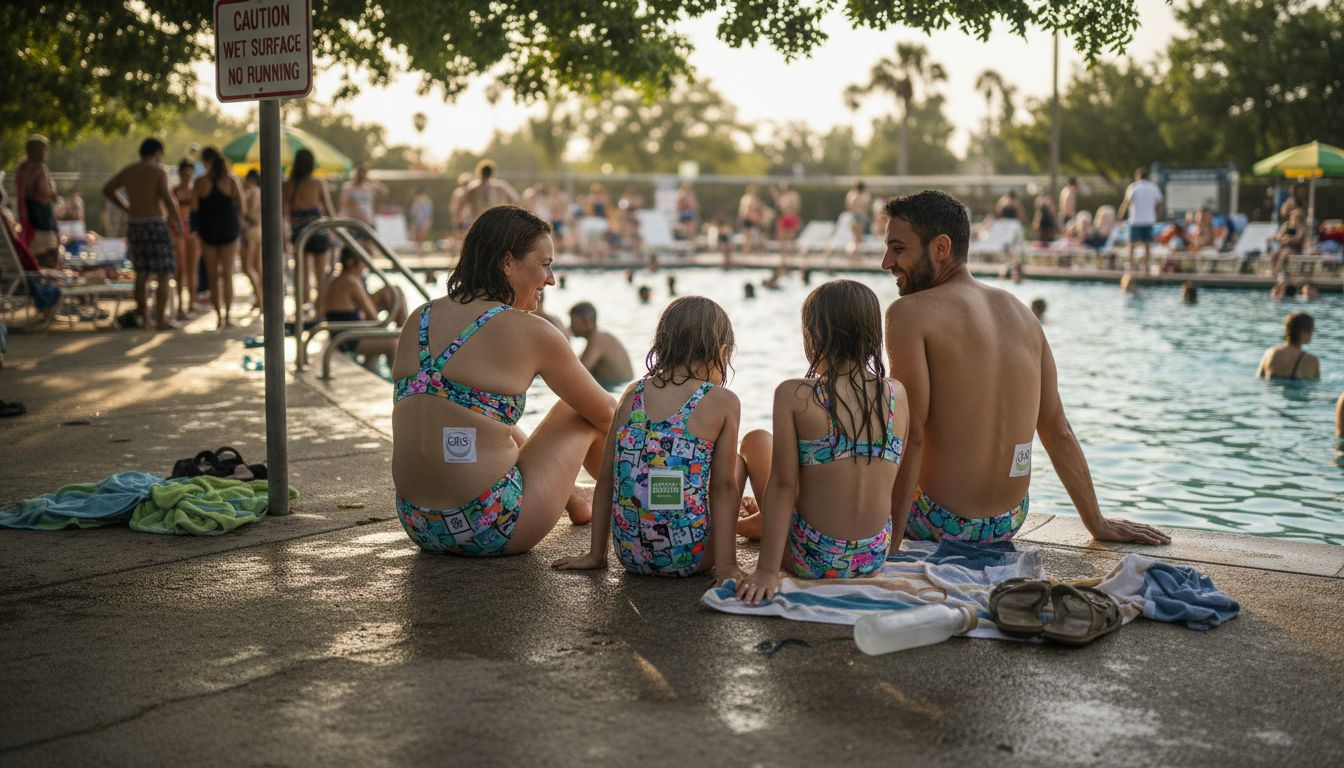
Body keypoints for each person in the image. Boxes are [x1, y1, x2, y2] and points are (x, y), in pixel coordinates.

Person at [880, 190, 1169, 545]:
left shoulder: (908, 314)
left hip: (938, 520)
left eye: (897, 249)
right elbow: (1057, 428)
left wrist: (890, 544)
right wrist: (1097, 523)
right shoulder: (1023, 315)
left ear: (940, 248)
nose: (886, 262)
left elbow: (914, 432)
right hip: (1009, 518)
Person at [390, 205, 614, 555]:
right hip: (490, 525)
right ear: (507, 262)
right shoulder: (530, 330)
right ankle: (638, 506)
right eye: (544, 264)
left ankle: (576, 499)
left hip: (418, 522)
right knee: (577, 410)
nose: (551, 279)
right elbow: (607, 415)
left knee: (488, 417)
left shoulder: (419, 317)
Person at [733, 280, 909, 602]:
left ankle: (754, 523)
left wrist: (767, 571)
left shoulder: (794, 395)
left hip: (815, 559)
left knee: (756, 442)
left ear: (811, 338)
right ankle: (757, 519)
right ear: (872, 336)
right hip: (873, 555)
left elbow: (784, 486)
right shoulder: (896, 394)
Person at [553, 296, 744, 581]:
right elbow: (724, 487)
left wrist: (596, 555)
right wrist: (727, 567)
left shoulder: (632, 394)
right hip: (690, 556)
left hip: (631, 555)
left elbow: (606, 481)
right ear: (721, 350)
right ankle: (728, 555)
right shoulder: (722, 401)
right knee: (738, 465)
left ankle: (599, 552)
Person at [102, 138, 180, 330]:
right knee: (163, 273)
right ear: (158, 153)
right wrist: (177, 221)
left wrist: (127, 208)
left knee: (141, 274)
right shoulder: (158, 171)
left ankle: (145, 320)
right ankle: (161, 320)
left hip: (135, 225)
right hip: (155, 224)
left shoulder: (130, 170)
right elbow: (167, 198)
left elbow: (108, 189)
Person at [321, 247, 407, 371]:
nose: (365, 266)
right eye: (363, 261)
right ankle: (401, 385)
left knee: (395, 292)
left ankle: (372, 369)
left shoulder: (340, 279)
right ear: (351, 262)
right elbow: (374, 318)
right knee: (392, 342)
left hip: (344, 333)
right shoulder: (351, 282)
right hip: (346, 339)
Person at [191, 147, 243, 329]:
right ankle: (227, 317)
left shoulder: (200, 182)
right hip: (229, 230)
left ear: (206, 162)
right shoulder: (231, 181)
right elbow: (240, 207)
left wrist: (193, 231)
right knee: (227, 275)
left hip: (208, 231)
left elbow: (194, 210)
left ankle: (219, 317)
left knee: (213, 275)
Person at [282, 149, 336, 309]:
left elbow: (284, 213)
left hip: (299, 233)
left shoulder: (287, 185)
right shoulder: (317, 183)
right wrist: (337, 231)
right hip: (318, 231)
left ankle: (303, 308)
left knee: (301, 274)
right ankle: (320, 309)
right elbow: (329, 209)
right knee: (321, 275)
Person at [14, 135, 59, 268]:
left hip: (26, 219)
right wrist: (54, 194)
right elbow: (45, 193)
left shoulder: (20, 169)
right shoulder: (40, 169)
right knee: (47, 255)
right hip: (41, 221)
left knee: (30, 253)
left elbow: (20, 194)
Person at [569, 301, 634, 390]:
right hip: (618, 387)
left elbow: (578, 373)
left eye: (572, 321)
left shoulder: (598, 338)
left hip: (617, 387)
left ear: (586, 321)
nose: (570, 326)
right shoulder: (599, 337)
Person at [1117, 168, 1164, 274]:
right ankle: (1146, 268)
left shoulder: (1134, 187)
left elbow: (1126, 203)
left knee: (1131, 245)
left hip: (1135, 220)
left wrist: (1120, 216)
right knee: (1147, 246)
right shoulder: (1153, 187)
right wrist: (1157, 215)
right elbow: (1160, 202)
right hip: (1149, 220)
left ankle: (1131, 267)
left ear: (1137, 176)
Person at [171, 159, 198, 319]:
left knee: (192, 269)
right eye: (184, 172)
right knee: (180, 269)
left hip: (192, 230)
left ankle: (191, 303)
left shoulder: (195, 191)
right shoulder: (174, 191)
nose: (187, 176)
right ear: (180, 173)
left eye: (190, 172)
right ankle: (181, 304)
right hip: (178, 230)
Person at [1256, 312, 1319, 381]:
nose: (1312, 333)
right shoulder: (1311, 359)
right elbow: (1314, 386)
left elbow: (1259, 378)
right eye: (1312, 330)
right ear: (1304, 332)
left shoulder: (1270, 352)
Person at [460, 159, 519, 227]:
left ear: (479, 172)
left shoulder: (472, 188)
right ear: (492, 172)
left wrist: (461, 222)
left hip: (477, 224)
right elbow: (515, 199)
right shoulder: (500, 187)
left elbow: (461, 206)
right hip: (496, 223)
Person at [240, 170, 264, 311]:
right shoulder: (258, 191)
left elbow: (251, 213)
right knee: (256, 266)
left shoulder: (253, 192)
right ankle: (259, 298)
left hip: (251, 230)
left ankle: (259, 298)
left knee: (248, 267)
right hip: (257, 230)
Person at [339, 162, 386, 231]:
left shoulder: (369, 187)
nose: (362, 174)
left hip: (368, 222)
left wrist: (375, 183)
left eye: (364, 172)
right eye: (360, 172)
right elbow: (343, 204)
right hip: (354, 224)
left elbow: (383, 192)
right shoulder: (348, 187)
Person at [1270, 210, 1306, 275]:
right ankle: (1273, 272)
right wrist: (1281, 238)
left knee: (1284, 254)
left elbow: (1298, 239)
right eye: (1292, 217)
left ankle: (1278, 272)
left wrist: (1289, 239)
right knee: (1273, 254)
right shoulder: (1286, 225)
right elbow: (1279, 235)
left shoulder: (1301, 227)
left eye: (1296, 217)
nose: (1294, 219)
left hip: (1296, 249)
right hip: (1284, 247)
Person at [774, 182, 801, 261]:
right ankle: (783, 254)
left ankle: (793, 254)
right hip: (784, 217)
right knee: (781, 236)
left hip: (791, 216)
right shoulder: (782, 196)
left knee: (792, 236)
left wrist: (789, 207)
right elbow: (780, 207)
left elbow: (796, 206)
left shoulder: (793, 195)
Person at [845, 181, 872, 254]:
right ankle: (853, 254)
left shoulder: (863, 196)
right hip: (856, 218)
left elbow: (865, 208)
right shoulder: (854, 195)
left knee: (858, 238)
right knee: (856, 238)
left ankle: (855, 254)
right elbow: (851, 207)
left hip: (859, 217)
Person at [409, 187, 433, 253]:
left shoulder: (424, 201)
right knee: (418, 237)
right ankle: (419, 250)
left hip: (422, 220)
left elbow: (427, 212)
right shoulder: (422, 201)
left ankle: (419, 250)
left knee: (420, 236)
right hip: (419, 220)